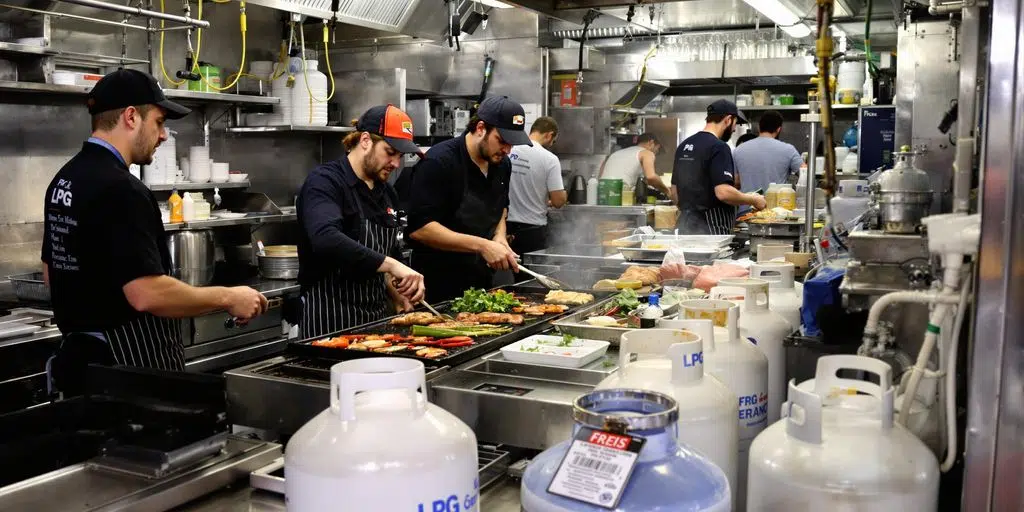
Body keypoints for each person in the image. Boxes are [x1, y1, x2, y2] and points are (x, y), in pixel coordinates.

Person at [41, 69, 268, 395]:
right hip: (129, 371)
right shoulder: (123, 189)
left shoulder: (66, 179)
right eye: (159, 122)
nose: (163, 135)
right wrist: (229, 296)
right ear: (131, 117)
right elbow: (148, 294)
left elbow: (53, 273)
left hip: (81, 365)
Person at [296, 105, 426, 337]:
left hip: (375, 320)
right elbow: (325, 239)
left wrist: (396, 292)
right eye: (390, 151)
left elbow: (389, 249)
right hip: (329, 321)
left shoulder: (387, 192)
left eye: (401, 155)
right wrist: (393, 265)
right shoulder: (325, 182)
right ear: (365, 140)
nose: (396, 164)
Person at [398, 96, 533, 302]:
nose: (507, 150)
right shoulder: (439, 162)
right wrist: (483, 246)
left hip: (481, 281)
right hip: (438, 284)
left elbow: (500, 208)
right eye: (502, 141)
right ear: (480, 128)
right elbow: (420, 229)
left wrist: (499, 237)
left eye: (512, 144)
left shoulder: (502, 164)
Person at [672, 99, 767, 235]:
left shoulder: (684, 145)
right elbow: (723, 192)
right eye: (735, 123)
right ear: (728, 120)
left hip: (685, 225)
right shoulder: (719, 147)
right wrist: (754, 199)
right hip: (711, 229)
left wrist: (690, 211)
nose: (734, 129)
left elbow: (674, 191)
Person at [506, 116, 566, 258]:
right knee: (530, 277)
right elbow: (558, 202)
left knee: (502, 276)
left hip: (503, 228)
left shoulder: (508, 149)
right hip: (532, 231)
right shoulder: (549, 159)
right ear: (549, 135)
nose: (551, 144)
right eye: (553, 140)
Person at [732, 110, 803, 211]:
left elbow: (735, 182)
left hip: (746, 214)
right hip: (777, 214)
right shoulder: (788, 149)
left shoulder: (738, 150)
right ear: (779, 129)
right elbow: (805, 175)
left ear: (759, 127)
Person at [599, 133, 671, 197]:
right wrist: (667, 191)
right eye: (657, 149)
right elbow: (651, 177)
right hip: (618, 196)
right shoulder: (647, 153)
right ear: (651, 143)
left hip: (601, 194)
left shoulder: (617, 153)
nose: (656, 152)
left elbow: (601, 174)